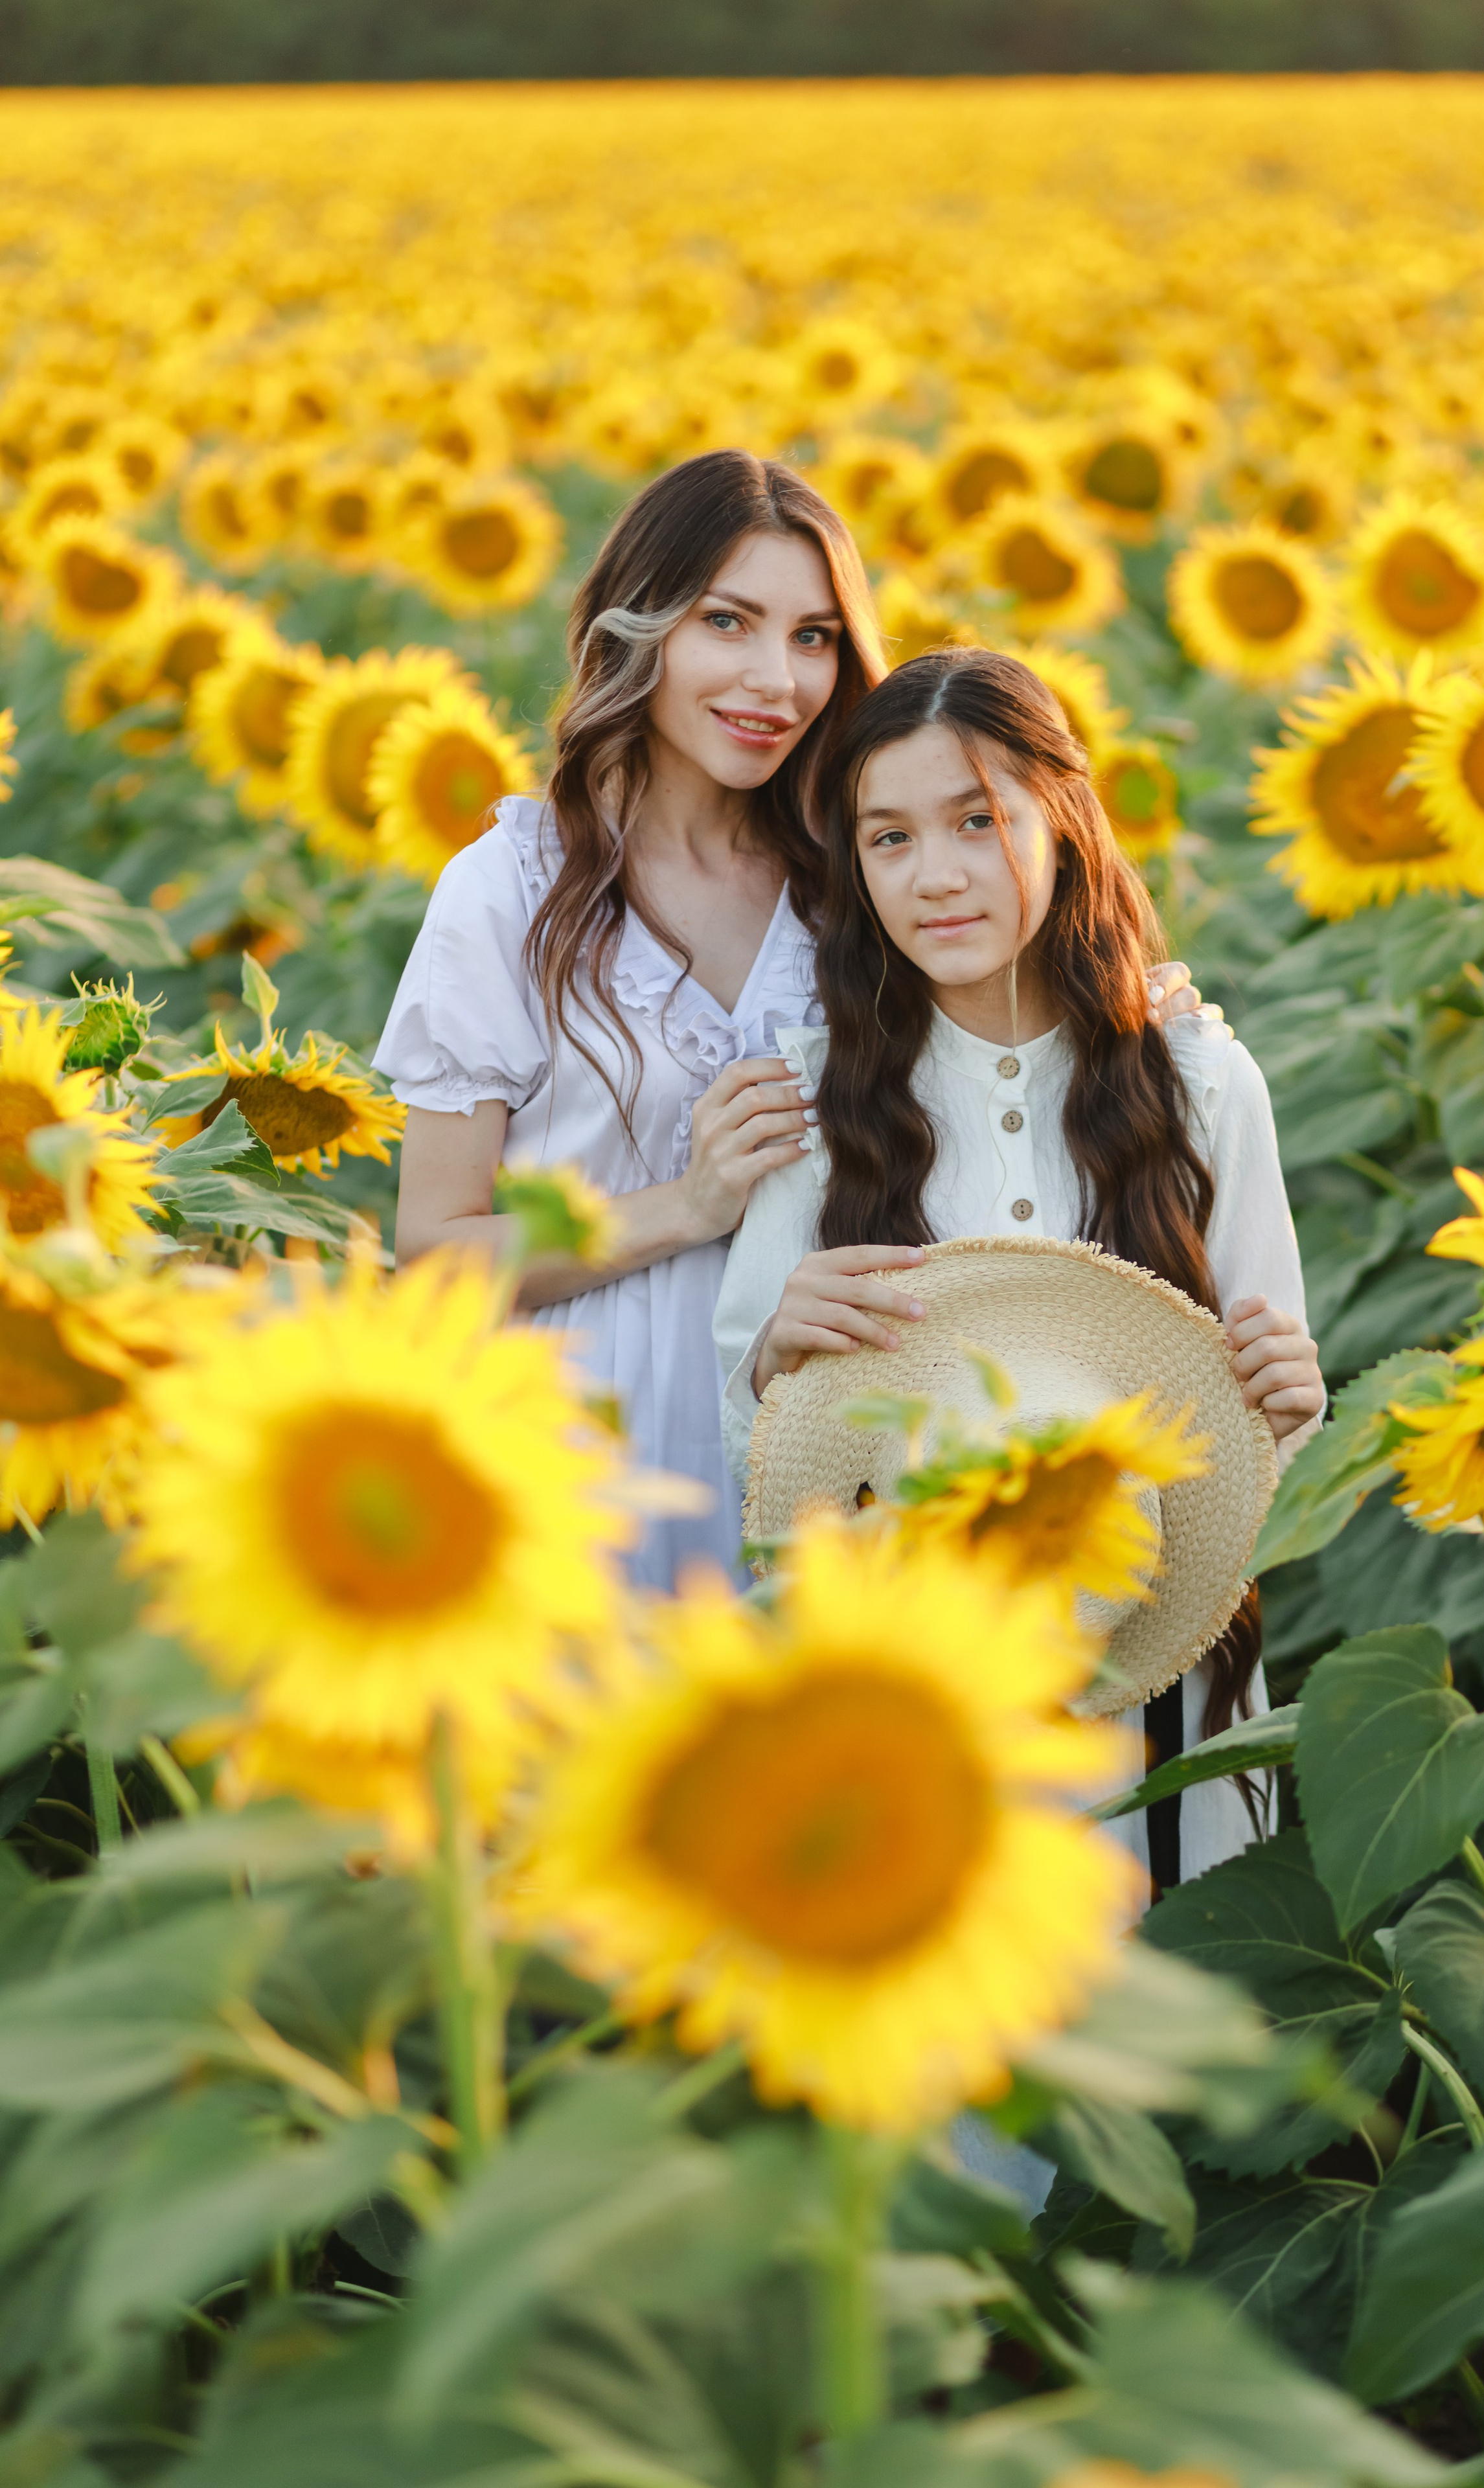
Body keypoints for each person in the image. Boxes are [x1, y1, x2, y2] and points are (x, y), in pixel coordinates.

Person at [378, 452, 1209, 1589]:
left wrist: (1111, 1007)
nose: (776, 677)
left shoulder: (846, 876)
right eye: (730, 621)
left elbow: (985, 1046)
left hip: (825, 1426)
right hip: (570, 1443)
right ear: (643, 628)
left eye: (815, 636)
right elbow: (433, 1248)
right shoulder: (515, 887)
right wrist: (688, 1206)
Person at [714, 645, 1324, 1878]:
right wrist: (780, 1349)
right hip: (917, 1707)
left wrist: (1295, 1396)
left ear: (1065, 820)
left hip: (1158, 1702)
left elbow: (1265, 1446)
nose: (934, 875)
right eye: (888, 838)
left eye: (977, 820)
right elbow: (763, 1471)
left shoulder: (1204, 1084)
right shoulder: (811, 1099)